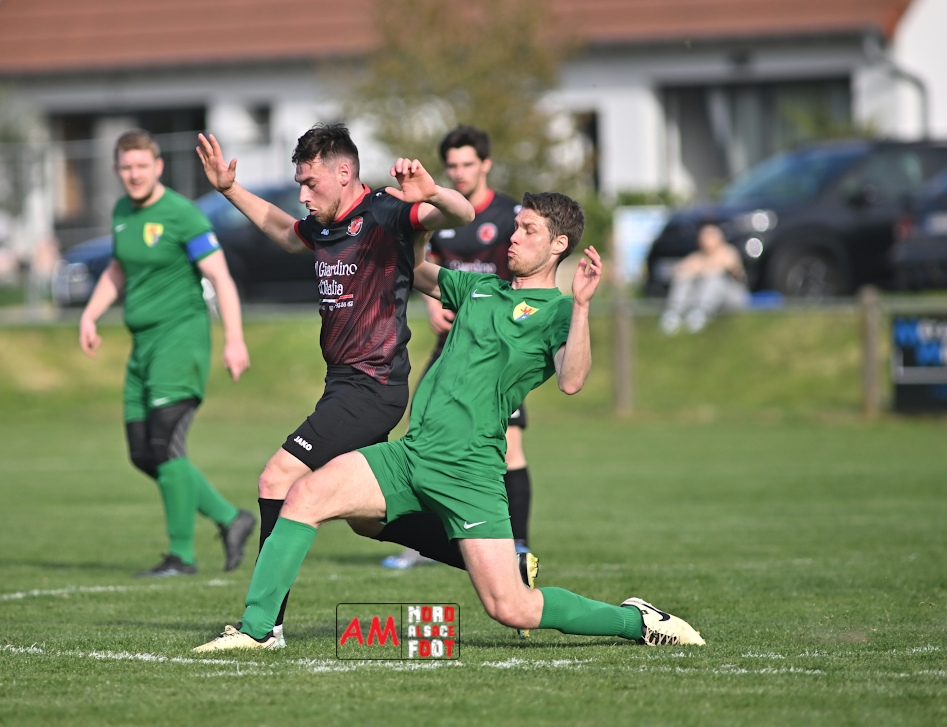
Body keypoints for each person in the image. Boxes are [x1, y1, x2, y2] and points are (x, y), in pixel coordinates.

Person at [193, 191, 706, 652]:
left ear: (558, 245)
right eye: (516, 226)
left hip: (470, 471)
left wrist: (583, 309)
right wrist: (417, 216)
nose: (513, 236)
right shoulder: (479, 288)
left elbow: (572, 380)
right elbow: (415, 270)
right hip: (412, 453)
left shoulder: (557, 312)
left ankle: (635, 621)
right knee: (305, 495)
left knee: (512, 608)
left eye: (528, 230)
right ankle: (258, 631)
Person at [195, 124, 475, 646]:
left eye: (310, 183)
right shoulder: (323, 226)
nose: (303, 195)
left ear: (344, 173)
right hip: (343, 385)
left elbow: (462, 214)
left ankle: (264, 628)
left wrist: (433, 192)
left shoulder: (388, 212)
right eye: (299, 184)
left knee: (277, 478)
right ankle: (494, 559)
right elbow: (284, 232)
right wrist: (230, 189)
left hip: (373, 385)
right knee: (367, 518)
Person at [80, 129, 256, 578]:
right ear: (117, 170)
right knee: (143, 453)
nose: (134, 174)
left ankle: (181, 556)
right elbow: (118, 268)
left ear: (158, 167)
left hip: (180, 342)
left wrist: (234, 339)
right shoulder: (122, 212)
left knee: (165, 443)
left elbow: (221, 278)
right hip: (142, 349)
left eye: (142, 165)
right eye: (126, 167)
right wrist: (90, 315)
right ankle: (230, 517)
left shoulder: (182, 214)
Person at [379, 125, 538, 572]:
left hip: (498, 349)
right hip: (451, 344)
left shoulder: (510, 216)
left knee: (510, 445)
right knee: (424, 434)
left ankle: (518, 546)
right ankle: (422, 543)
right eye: (452, 166)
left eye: (468, 164)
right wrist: (432, 306)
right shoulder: (440, 215)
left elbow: (525, 278)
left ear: (485, 164)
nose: (460, 172)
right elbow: (424, 268)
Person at [659, 222, 748, 334]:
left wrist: (702, 268)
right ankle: (673, 314)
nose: (706, 238)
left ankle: (700, 314)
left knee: (713, 277)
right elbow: (678, 270)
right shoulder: (696, 256)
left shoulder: (728, 252)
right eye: (704, 235)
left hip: (733, 298)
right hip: (700, 296)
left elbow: (734, 271)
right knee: (683, 277)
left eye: (711, 235)